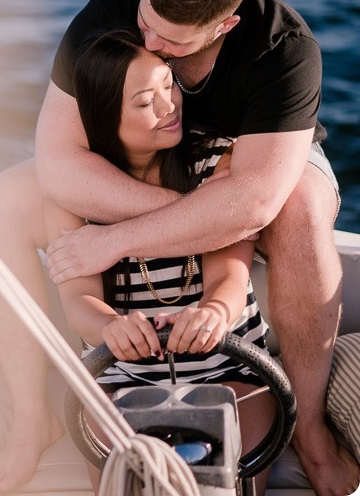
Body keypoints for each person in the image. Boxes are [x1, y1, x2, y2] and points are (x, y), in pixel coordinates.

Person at [0, 0, 360, 496]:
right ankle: (33, 419)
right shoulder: (106, 18)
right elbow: (57, 169)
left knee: (299, 206)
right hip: (155, 165)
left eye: (171, 42)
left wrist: (118, 240)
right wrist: (202, 216)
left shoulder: (283, 47)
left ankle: (307, 430)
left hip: (252, 162)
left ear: (224, 27)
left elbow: (253, 201)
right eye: (147, 20)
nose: (149, 41)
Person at [59, 27, 275, 494]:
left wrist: (215, 313)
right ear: (102, 117)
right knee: (128, 480)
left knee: (224, 481)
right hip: (120, 375)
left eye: (169, 84)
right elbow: (77, 299)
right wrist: (108, 329)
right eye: (143, 102)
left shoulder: (218, 163)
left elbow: (231, 275)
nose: (169, 105)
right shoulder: (71, 192)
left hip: (228, 366)